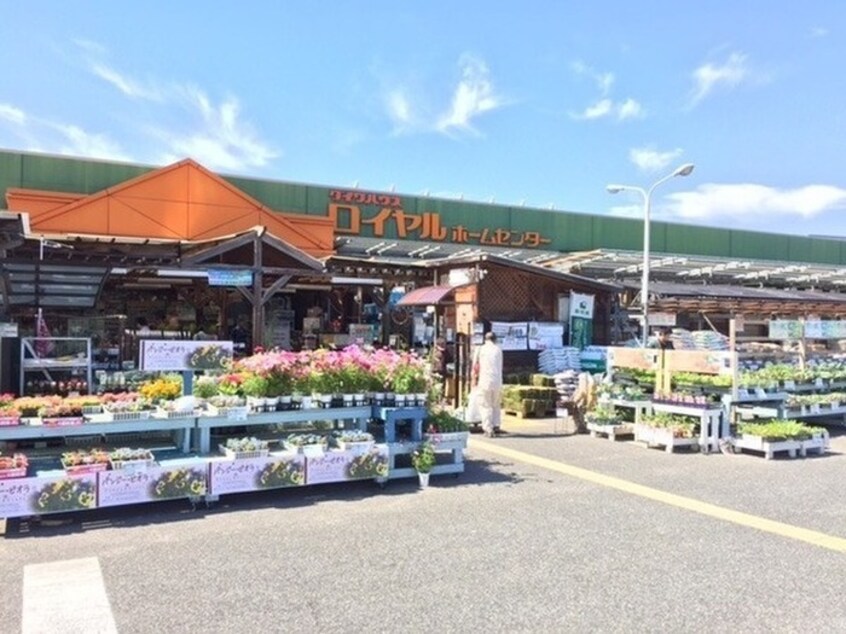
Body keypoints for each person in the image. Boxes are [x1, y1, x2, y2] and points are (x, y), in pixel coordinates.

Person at [473, 332, 504, 438]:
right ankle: (496, 425)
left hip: (484, 380)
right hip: (497, 381)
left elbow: (475, 366)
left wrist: (473, 380)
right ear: (494, 339)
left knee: (485, 405)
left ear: (485, 339)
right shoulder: (498, 350)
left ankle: (488, 429)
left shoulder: (481, 350)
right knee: (496, 404)